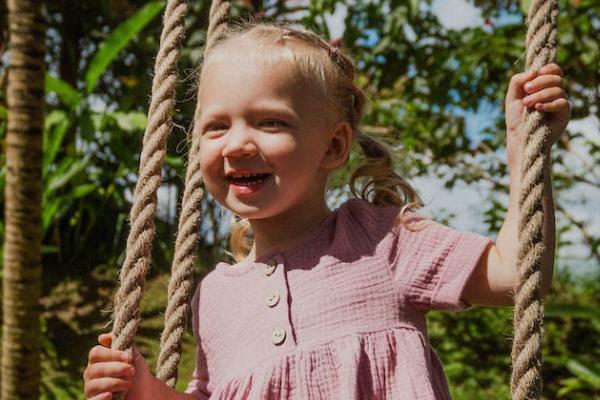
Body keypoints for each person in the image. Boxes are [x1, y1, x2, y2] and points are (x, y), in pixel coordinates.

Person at [83, 21, 570, 400]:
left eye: (270, 122)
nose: (236, 145)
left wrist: (524, 152)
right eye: (215, 127)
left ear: (334, 146)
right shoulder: (213, 296)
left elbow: (515, 276)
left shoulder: (380, 241)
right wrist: (144, 389)